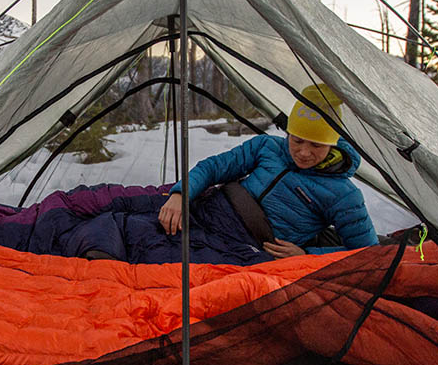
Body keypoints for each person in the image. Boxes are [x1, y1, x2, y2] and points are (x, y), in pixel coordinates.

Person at [158, 84, 378, 257]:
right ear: (289, 133)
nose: (303, 152)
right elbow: (215, 167)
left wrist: (306, 254)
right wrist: (181, 193)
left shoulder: (344, 194)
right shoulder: (267, 146)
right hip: (210, 207)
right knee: (133, 215)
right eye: (297, 140)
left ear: (332, 145)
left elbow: (366, 251)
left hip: (243, 242)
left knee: (149, 245)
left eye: (316, 145)